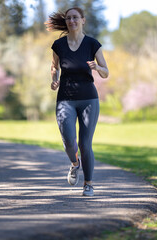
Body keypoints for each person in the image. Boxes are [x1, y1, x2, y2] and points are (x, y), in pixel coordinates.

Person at [45, 7, 109, 196]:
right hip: (65, 98)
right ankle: (75, 164)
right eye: (68, 18)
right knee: (68, 142)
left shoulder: (92, 44)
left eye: (75, 18)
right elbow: (54, 67)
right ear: (66, 22)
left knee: (85, 143)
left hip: (89, 99)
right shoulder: (59, 45)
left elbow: (106, 73)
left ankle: (88, 184)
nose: (71, 21)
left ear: (83, 20)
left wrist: (97, 67)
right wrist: (54, 78)